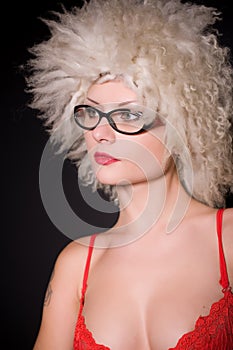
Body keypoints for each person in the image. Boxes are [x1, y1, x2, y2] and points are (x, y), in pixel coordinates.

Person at [24, 0, 233, 349]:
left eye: (129, 115)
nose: (101, 133)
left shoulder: (228, 240)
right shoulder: (77, 266)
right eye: (90, 113)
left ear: (184, 128)